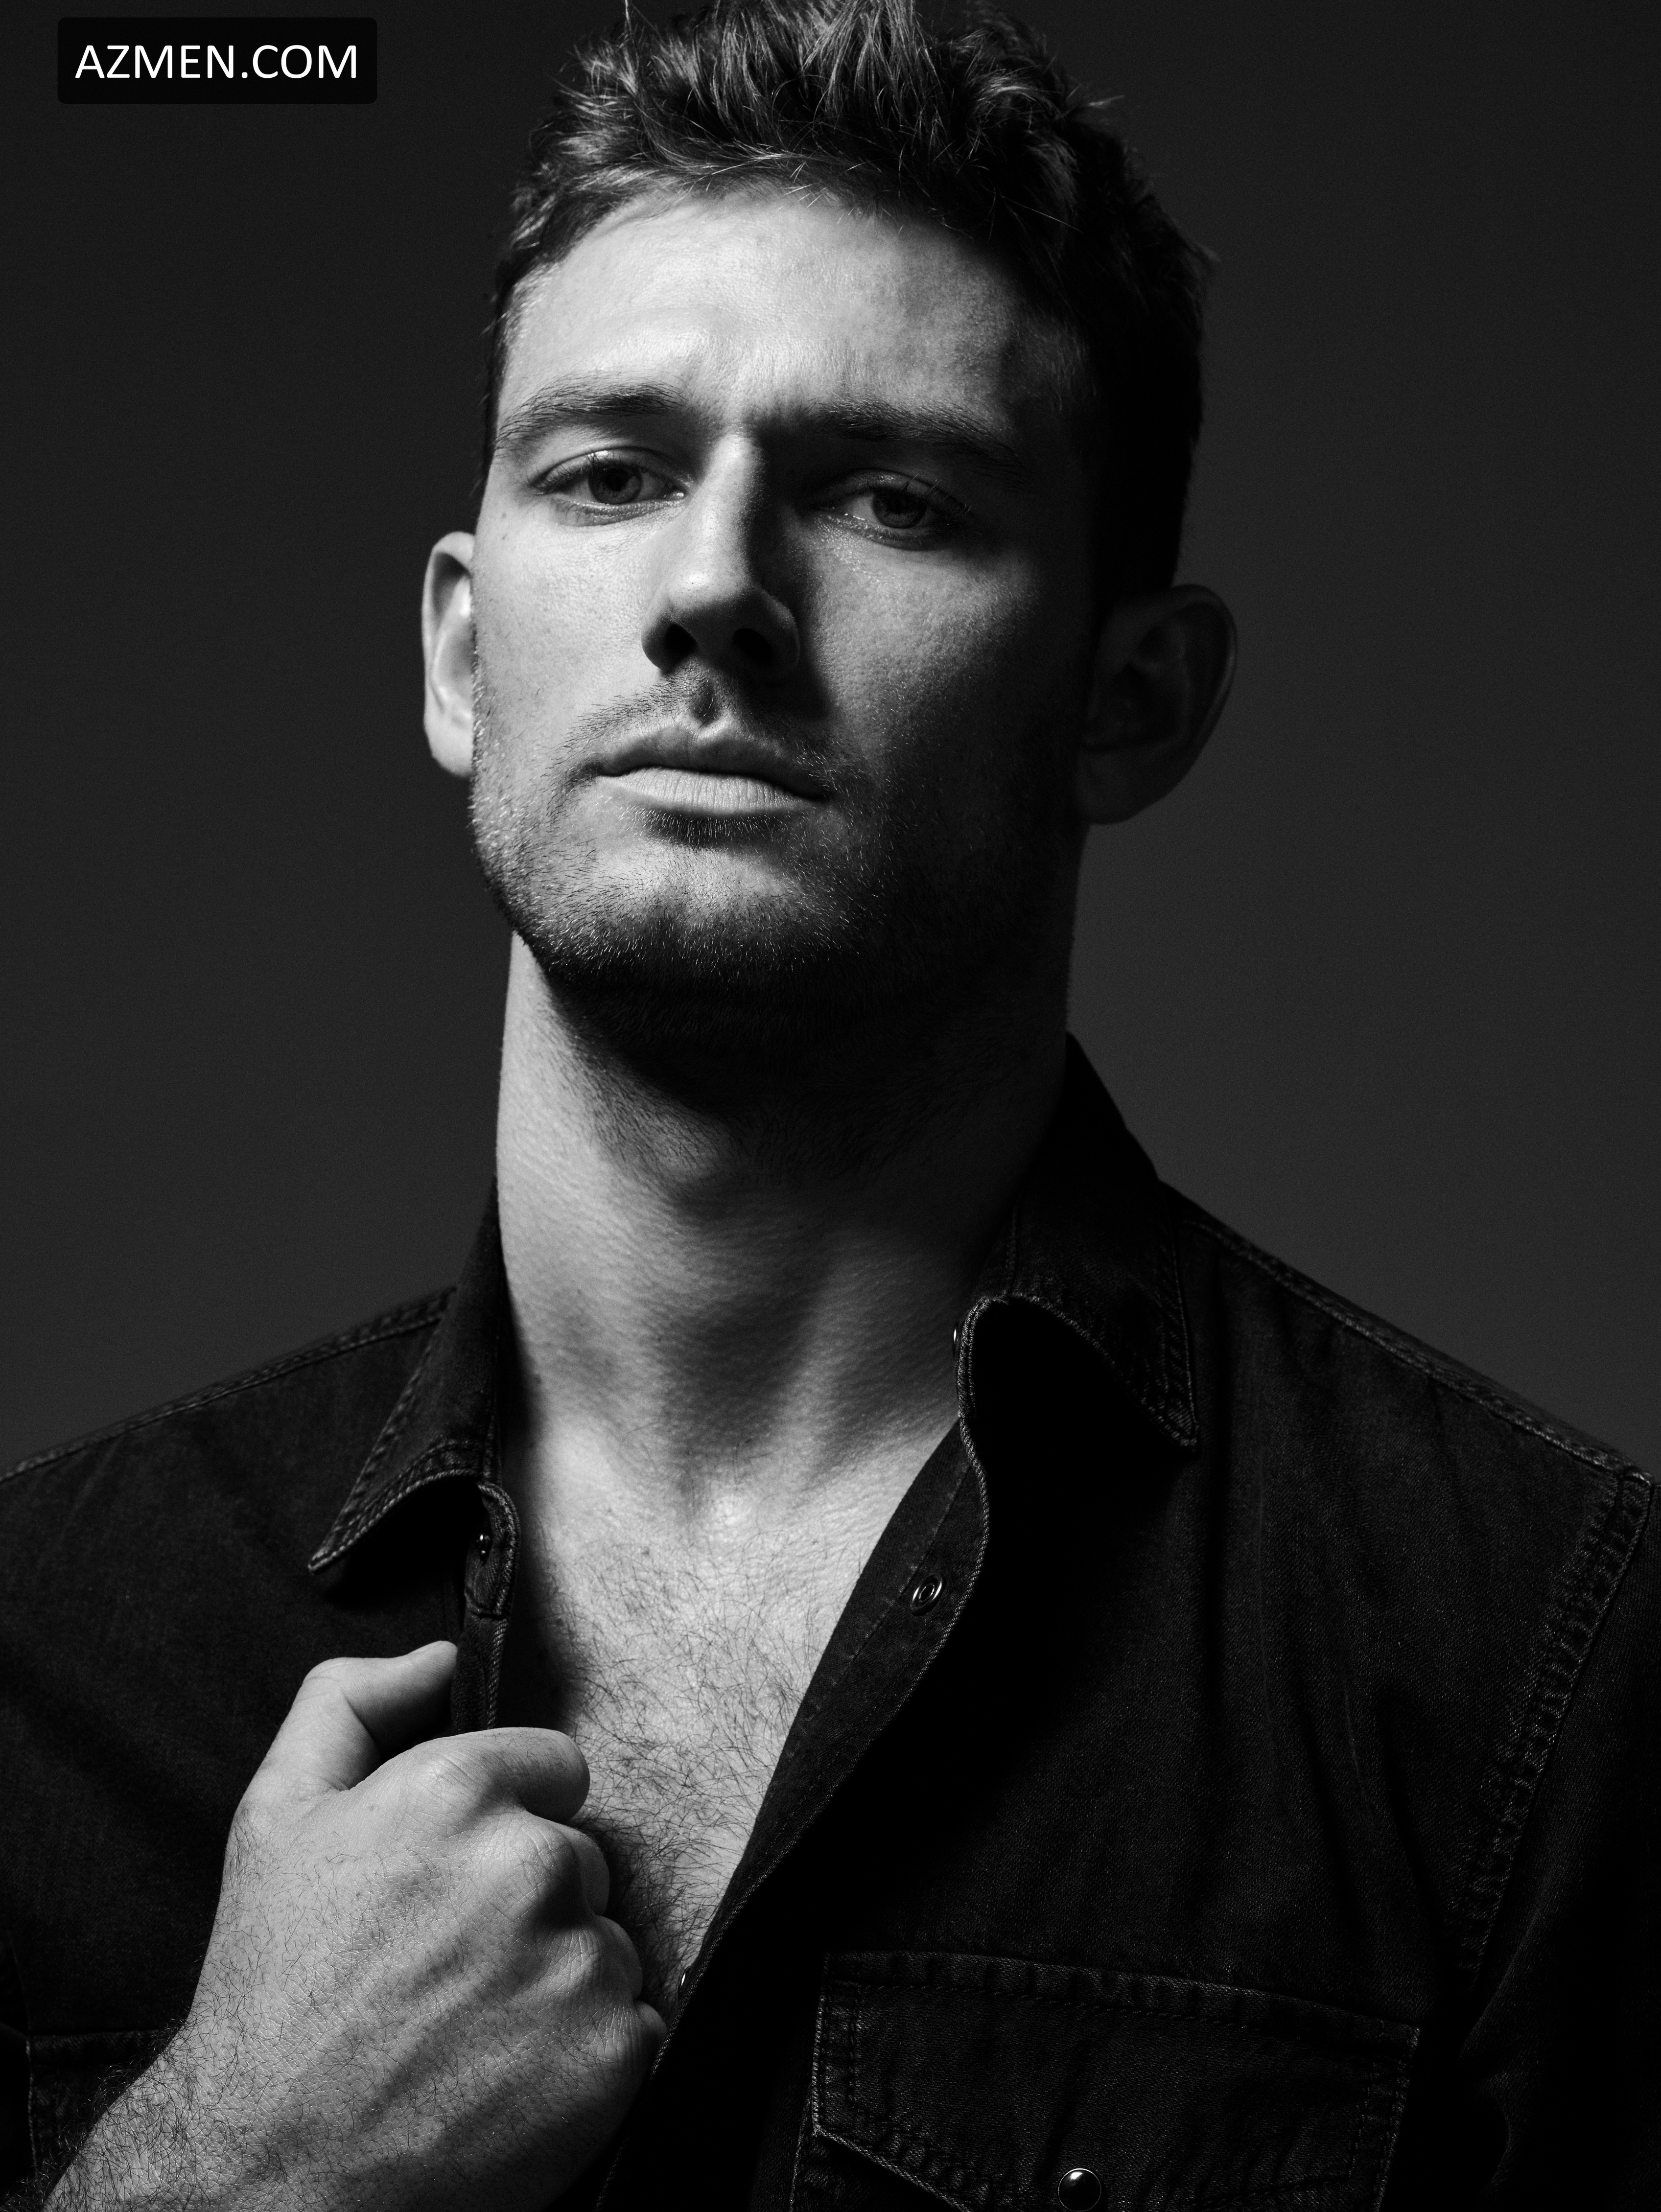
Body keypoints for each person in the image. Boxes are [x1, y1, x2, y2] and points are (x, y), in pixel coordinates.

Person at [3, 0, 1656, 2205]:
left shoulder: (1532, 1656)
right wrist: (239, 2168)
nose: (713, 589)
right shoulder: (40, 1648)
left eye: (894, 498)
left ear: (1132, 699)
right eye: (609, 472)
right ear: (463, 654)